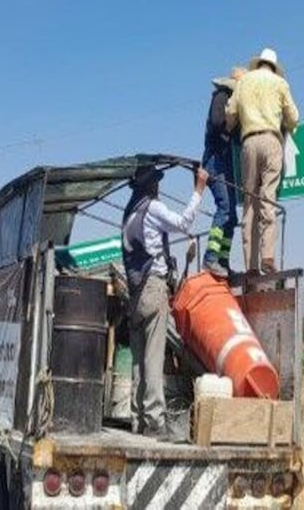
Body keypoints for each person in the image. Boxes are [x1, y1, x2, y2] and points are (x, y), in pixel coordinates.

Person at [121, 164, 208, 439]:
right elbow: (183, 223)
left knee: (138, 361)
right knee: (154, 358)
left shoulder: (129, 213)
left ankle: (138, 420)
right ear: (152, 185)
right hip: (153, 286)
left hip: (134, 292)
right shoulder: (153, 208)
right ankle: (156, 423)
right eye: (157, 182)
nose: (160, 186)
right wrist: (198, 190)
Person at [225, 47, 299, 275]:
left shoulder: (244, 82)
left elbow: (230, 112)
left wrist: (231, 129)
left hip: (248, 143)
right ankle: (267, 256)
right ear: (274, 67)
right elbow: (294, 117)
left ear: (258, 64)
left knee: (249, 203)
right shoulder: (279, 83)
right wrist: (287, 126)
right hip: (271, 139)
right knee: (267, 198)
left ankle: (251, 265)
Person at [201, 67, 244, 277]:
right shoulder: (221, 96)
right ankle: (210, 258)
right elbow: (218, 123)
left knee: (232, 216)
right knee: (225, 208)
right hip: (215, 162)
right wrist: (232, 127)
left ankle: (223, 260)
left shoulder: (231, 102)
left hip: (226, 164)